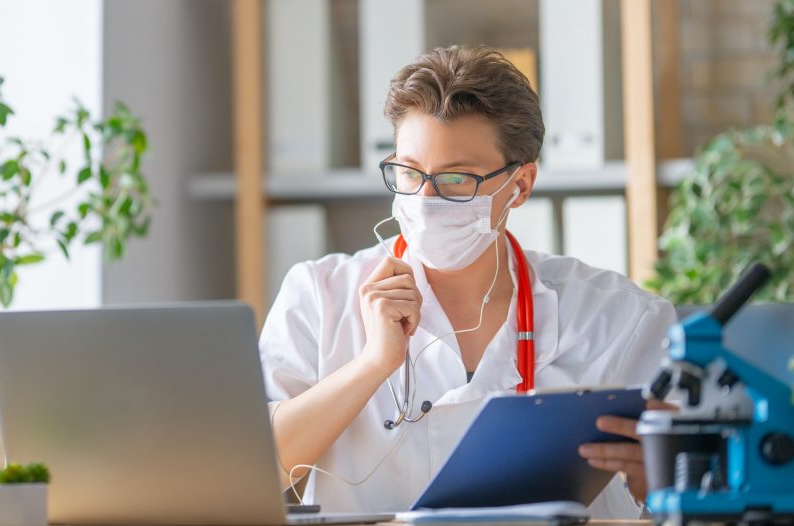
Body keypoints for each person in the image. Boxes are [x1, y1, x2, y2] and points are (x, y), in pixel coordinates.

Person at [259, 45, 676, 518]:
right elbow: (254, 469)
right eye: (409, 172)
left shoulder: (617, 318)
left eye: (457, 178)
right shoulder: (319, 294)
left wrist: (661, 481)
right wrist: (373, 364)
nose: (424, 198)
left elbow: (690, 492)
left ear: (519, 186)